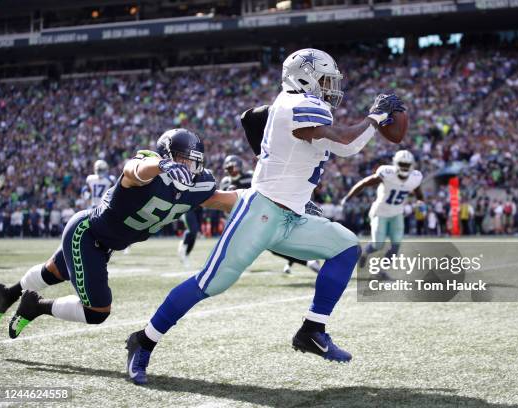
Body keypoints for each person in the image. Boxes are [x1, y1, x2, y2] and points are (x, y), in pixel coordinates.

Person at [125, 48, 405, 385]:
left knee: (346, 247)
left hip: (292, 217)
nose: (331, 88)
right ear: (305, 76)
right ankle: (143, 340)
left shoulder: (302, 107)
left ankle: (312, 330)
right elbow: (346, 144)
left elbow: (258, 121)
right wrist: (375, 118)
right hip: (260, 211)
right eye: (326, 79)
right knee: (210, 284)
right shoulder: (295, 102)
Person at [0, 129, 239, 339]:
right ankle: (35, 307)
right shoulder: (150, 166)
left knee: (53, 272)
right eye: (182, 161)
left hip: (108, 243)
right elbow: (133, 170)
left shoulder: (199, 185)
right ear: (166, 156)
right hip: (88, 233)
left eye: (193, 162)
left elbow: (228, 201)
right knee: (97, 311)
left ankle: (6, 294)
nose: (188, 169)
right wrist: (162, 166)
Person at [341, 150, 423, 267]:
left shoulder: (415, 177)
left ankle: (381, 271)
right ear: (396, 163)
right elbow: (364, 182)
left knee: (396, 245)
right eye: (402, 164)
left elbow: (419, 194)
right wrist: (347, 197)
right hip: (380, 212)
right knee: (377, 244)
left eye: (407, 165)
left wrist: (421, 202)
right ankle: (364, 253)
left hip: (397, 213)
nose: (404, 168)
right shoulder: (387, 173)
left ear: (412, 165)